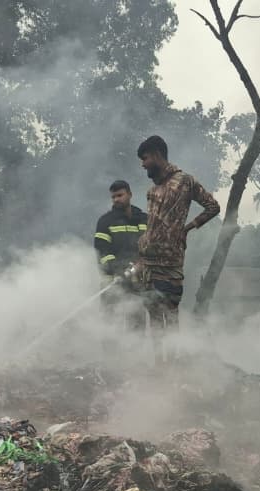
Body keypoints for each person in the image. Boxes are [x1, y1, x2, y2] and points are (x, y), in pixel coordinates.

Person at [134, 135, 220, 338]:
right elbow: (152, 225)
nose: (143, 164)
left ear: (157, 155)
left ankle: (173, 363)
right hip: (147, 264)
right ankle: (158, 364)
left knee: (170, 314)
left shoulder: (185, 181)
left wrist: (188, 228)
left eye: (145, 158)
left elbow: (213, 206)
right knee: (153, 315)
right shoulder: (152, 190)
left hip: (170, 263)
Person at [93, 180, 148, 331]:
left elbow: (152, 247)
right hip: (113, 284)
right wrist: (120, 270)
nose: (116, 199)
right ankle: (111, 354)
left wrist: (142, 264)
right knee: (111, 327)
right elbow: (102, 252)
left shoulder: (144, 219)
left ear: (130, 194)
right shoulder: (105, 221)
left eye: (120, 195)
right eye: (113, 197)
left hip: (138, 284)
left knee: (137, 326)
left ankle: (135, 354)